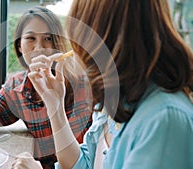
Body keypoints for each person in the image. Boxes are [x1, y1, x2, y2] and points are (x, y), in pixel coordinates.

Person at [12, 0, 193, 169]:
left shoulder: (164, 122)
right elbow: (83, 165)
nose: (74, 48)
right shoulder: (116, 99)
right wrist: (55, 105)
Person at [0, 6, 92, 169]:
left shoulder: (83, 82)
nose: (39, 47)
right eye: (30, 38)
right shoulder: (16, 89)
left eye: (48, 38)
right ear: (19, 47)